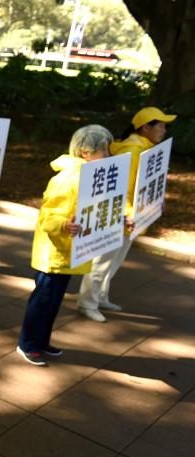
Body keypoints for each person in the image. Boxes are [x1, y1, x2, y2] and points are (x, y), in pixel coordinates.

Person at [17, 125, 113, 366]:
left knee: (53, 301)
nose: (108, 155)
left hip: (68, 251)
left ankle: (40, 341)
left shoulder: (89, 177)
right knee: (43, 300)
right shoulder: (67, 178)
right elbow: (47, 215)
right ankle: (27, 343)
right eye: (104, 150)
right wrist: (63, 225)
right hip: (54, 253)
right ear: (84, 152)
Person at [76, 107, 176, 322]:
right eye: (161, 125)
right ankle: (87, 303)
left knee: (113, 261)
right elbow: (121, 188)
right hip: (122, 216)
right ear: (145, 127)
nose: (164, 130)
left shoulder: (145, 148)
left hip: (130, 217)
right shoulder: (133, 151)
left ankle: (100, 297)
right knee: (102, 261)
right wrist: (127, 214)